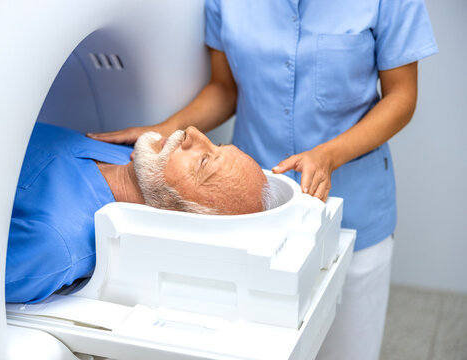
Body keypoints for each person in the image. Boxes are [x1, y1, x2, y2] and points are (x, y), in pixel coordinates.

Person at [87, 1, 438, 359]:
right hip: (247, 211)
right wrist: (161, 132)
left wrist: (329, 155)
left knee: (350, 349)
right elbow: (225, 88)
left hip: (356, 198)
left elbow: (402, 96)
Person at [6, 122, 268, 303]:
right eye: (217, 144)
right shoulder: (135, 158)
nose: (193, 132)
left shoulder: (52, 246)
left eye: (203, 161)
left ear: (179, 215)